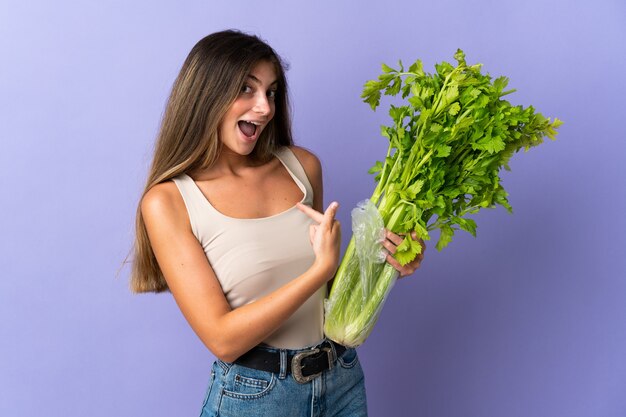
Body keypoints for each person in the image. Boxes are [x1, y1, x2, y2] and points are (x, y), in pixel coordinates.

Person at [128, 29, 425, 417]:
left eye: (270, 92)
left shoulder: (302, 167)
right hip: (256, 397)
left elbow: (326, 298)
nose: (265, 107)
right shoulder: (169, 201)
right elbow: (222, 339)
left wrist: (386, 264)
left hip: (342, 380)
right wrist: (319, 270)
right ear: (205, 95)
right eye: (247, 90)